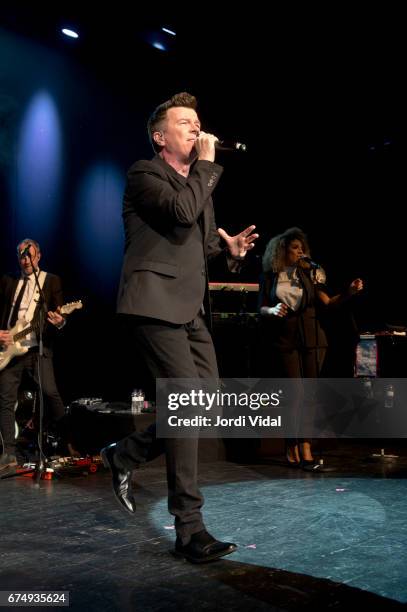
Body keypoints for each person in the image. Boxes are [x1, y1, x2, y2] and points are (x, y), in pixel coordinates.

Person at [101, 92, 258, 563]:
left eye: (198, 123)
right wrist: (208, 168)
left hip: (190, 310)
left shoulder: (198, 184)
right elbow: (180, 213)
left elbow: (198, 241)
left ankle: (124, 454)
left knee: (204, 407)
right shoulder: (144, 173)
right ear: (160, 136)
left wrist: (226, 250)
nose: (196, 130)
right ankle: (190, 529)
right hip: (153, 304)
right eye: (185, 123)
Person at [259, 227, 363, 467]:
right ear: (282, 250)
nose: (300, 251)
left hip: (312, 337)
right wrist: (272, 310)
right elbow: (261, 307)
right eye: (294, 248)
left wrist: (348, 292)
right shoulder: (270, 275)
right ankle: (291, 444)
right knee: (294, 395)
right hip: (285, 338)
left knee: (310, 395)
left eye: (301, 248)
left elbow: (327, 303)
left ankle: (306, 445)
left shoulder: (308, 274)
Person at [0, 239, 71, 472]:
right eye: (21, 256)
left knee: (50, 393)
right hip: (10, 349)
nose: (25, 260)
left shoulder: (50, 281)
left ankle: (66, 443)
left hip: (38, 347)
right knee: (6, 400)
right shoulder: (8, 280)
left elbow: (59, 313)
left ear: (38, 255)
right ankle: (8, 452)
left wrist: (60, 322)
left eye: (29, 256)